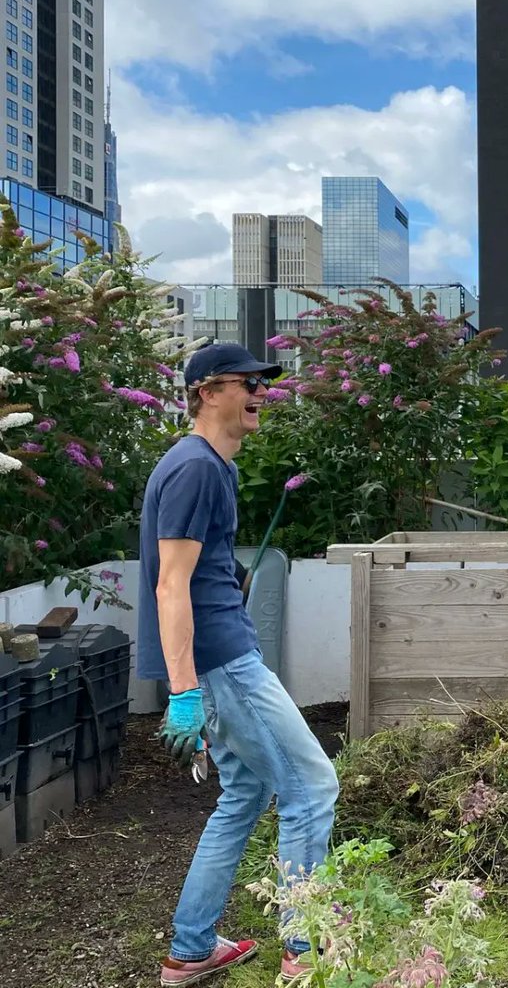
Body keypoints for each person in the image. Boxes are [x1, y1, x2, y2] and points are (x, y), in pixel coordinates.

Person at [137, 343, 340, 986]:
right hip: (223, 662)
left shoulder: (211, 466)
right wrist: (185, 693)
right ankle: (305, 950)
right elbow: (170, 585)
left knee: (245, 793)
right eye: (247, 381)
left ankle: (192, 949)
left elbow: (196, 575)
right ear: (205, 390)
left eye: (264, 381)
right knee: (311, 788)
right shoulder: (195, 467)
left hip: (221, 651)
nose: (262, 390)